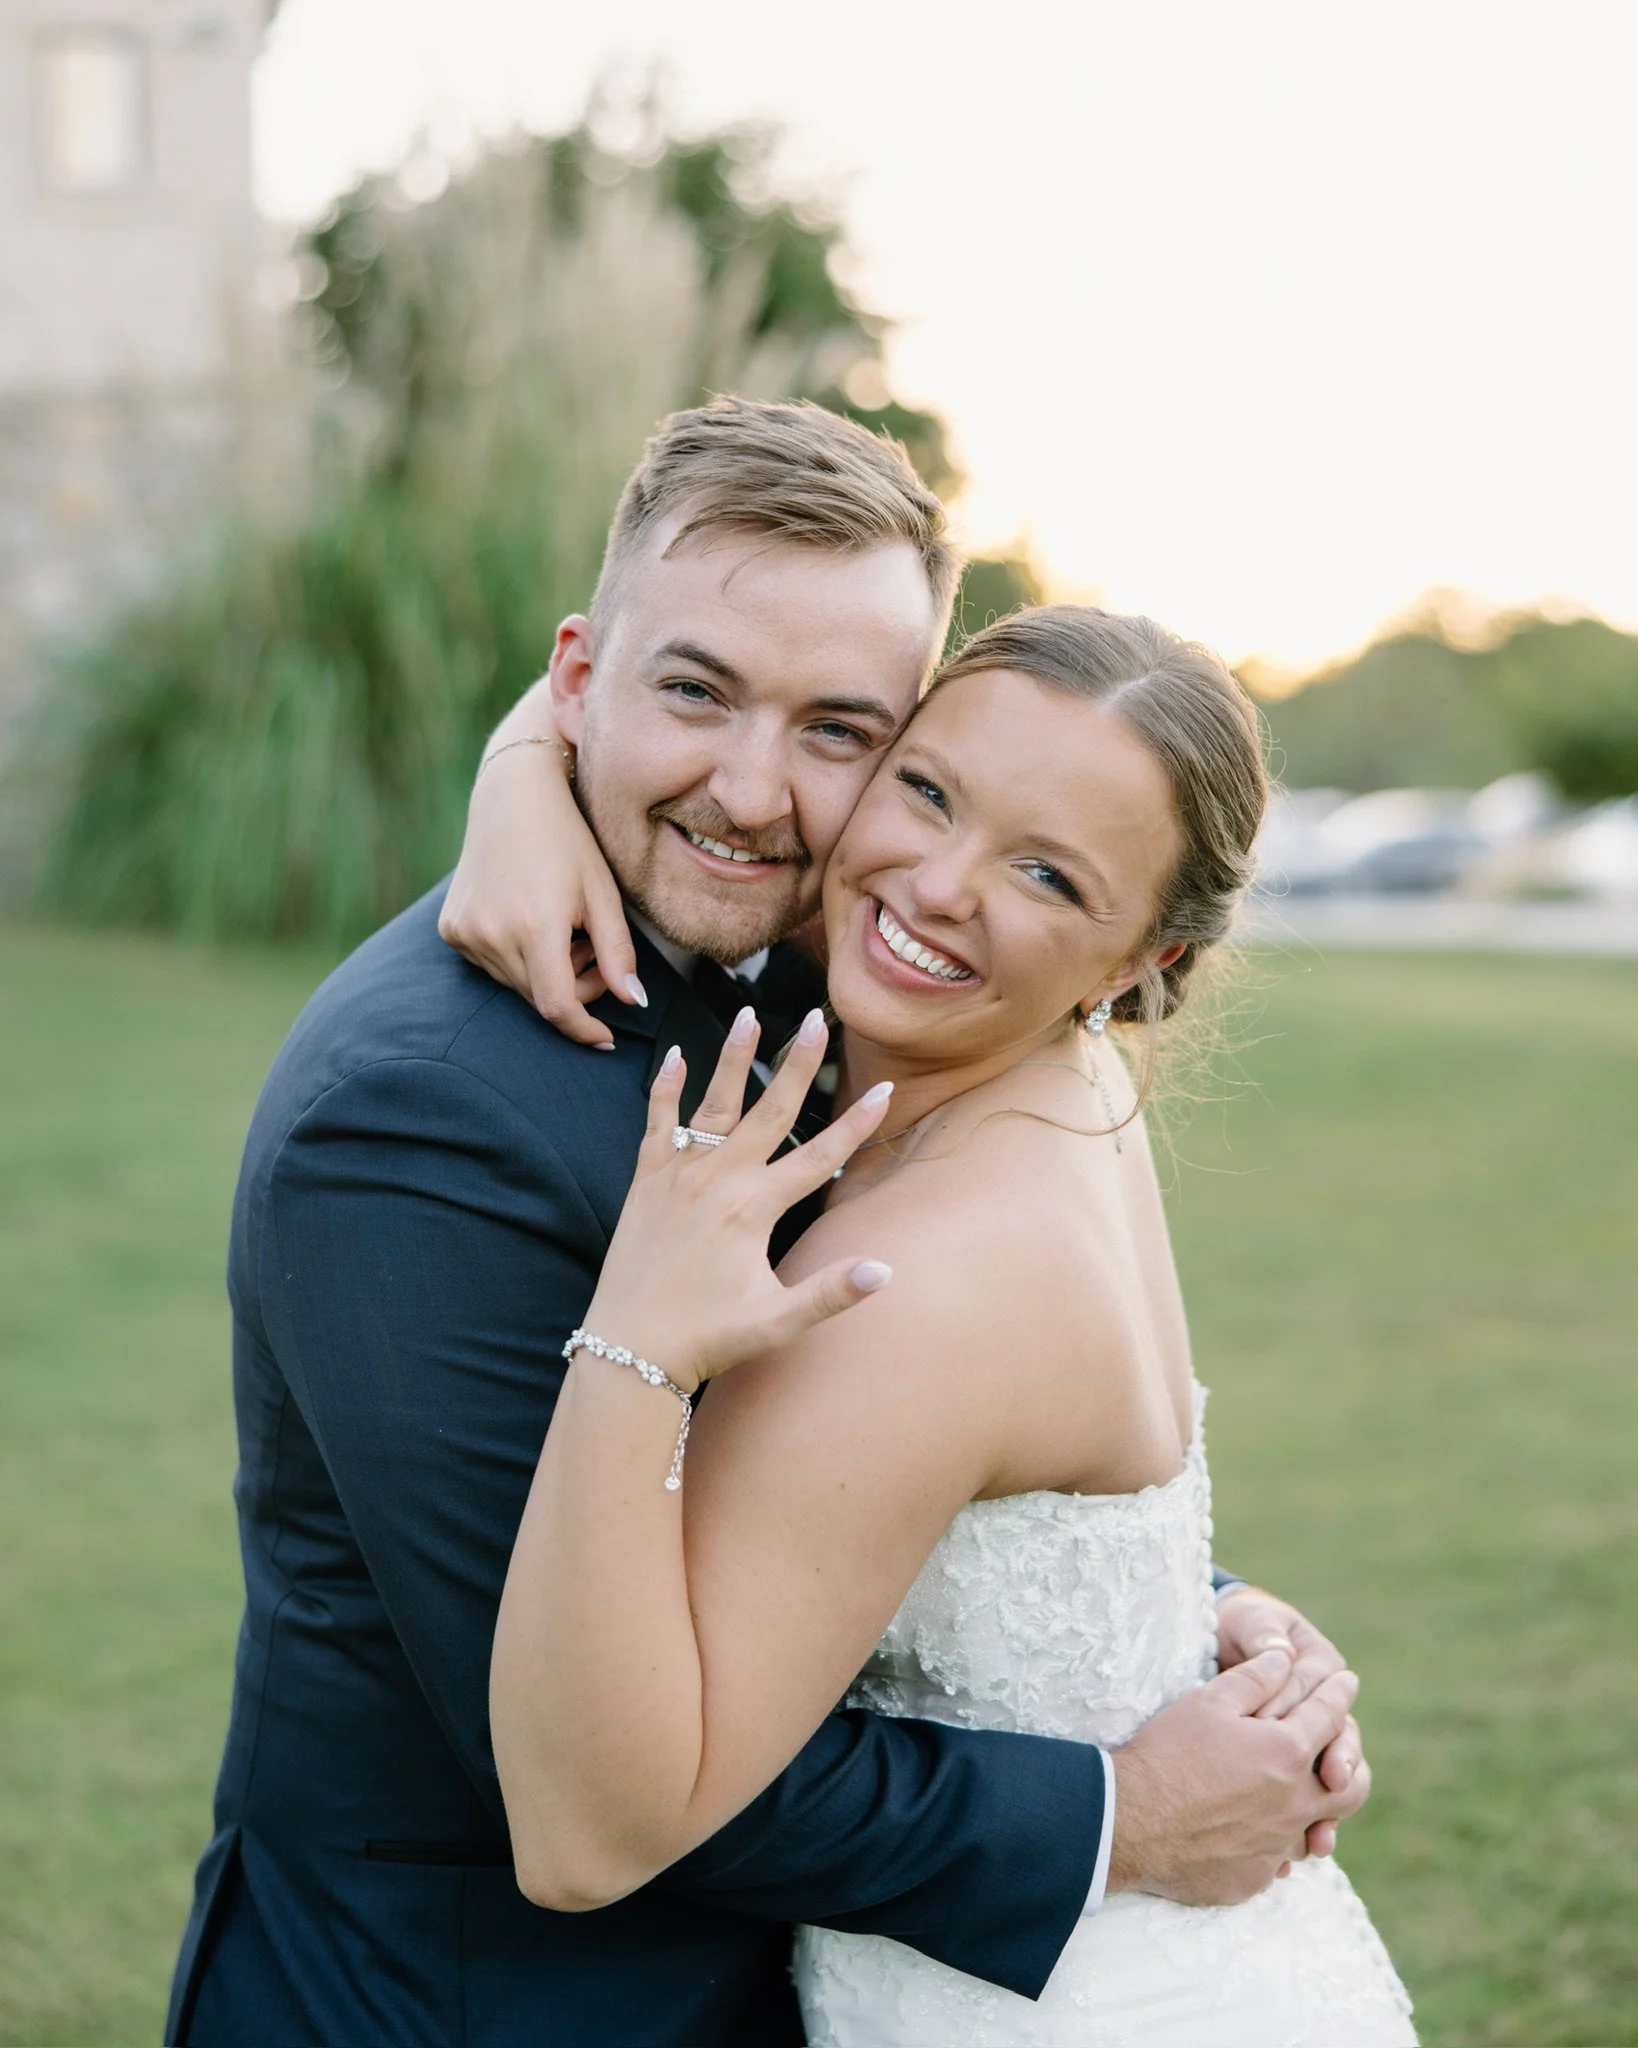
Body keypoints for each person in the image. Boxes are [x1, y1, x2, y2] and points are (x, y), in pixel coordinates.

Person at [169, 399, 1374, 2048]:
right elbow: (595, 1780)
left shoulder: (861, 974)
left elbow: (884, 1475)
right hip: (470, 2004)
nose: (749, 792)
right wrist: (1124, 1804)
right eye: (693, 692)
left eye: (838, 730)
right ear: (581, 673)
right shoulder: (422, 1121)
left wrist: (1178, 1612)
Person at [459, 598, 1416, 2043]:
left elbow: (586, 1838)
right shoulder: (1072, 1090)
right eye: (924, 790)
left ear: (1131, 962)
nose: (936, 884)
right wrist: (524, 770)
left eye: (1043, 872)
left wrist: (639, 1342)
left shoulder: (912, 1280)